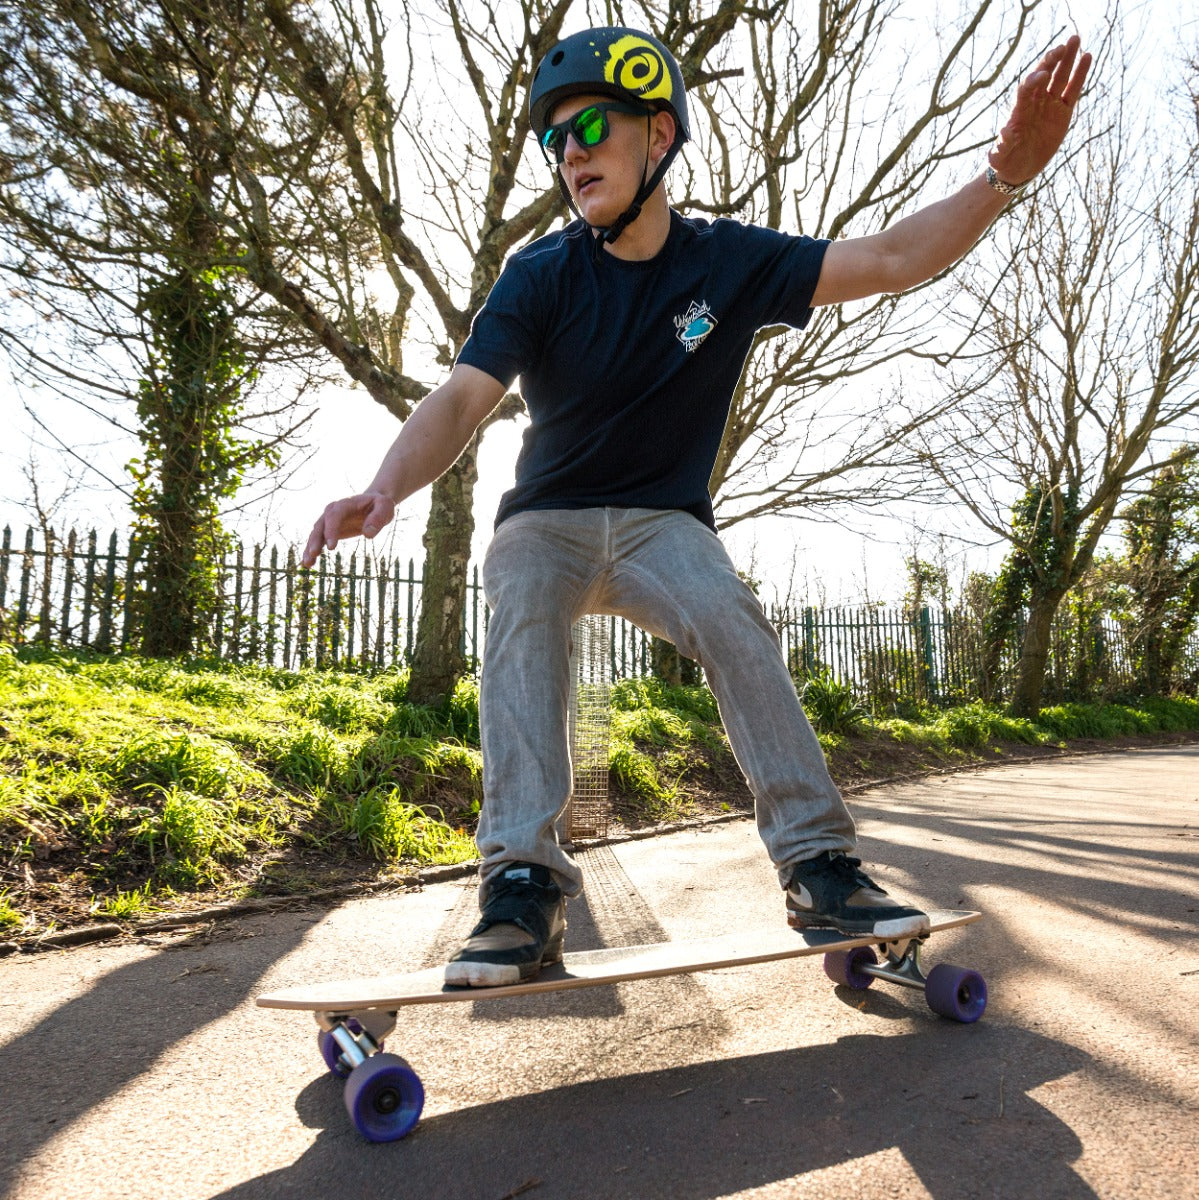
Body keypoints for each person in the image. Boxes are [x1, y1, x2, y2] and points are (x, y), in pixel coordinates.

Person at [303, 27, 1091, 988]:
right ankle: (520, 884)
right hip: (547, 519)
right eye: (556, 141)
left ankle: (818, 867)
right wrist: (387, 485)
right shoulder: (540, 274)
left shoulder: (728, 262)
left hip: (662, 525)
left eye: (591, 127)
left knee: (728, 613)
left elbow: (890, 257)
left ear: (659, 136)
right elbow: (464, 396)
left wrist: (1002, 176)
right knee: (516, 591)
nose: (571, 153)